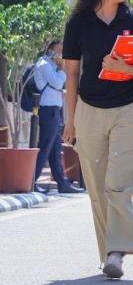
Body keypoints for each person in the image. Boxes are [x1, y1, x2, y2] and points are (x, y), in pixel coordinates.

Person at [62, 0, 133, 279]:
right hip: (89, 110)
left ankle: (118, 251)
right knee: (97, 187)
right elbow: (72, 75)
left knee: (119, 184)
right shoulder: (78, 23)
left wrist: (125, 68)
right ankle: (108, 253)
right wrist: (70, 120)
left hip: (128, 108)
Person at [33, 39, 84, 194]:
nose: (61, 54)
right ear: (50, 50)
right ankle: (31, 180)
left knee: (55, 149)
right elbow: (56, 82)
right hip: (48, 111)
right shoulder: (44, 64)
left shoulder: (50, 65)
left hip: (54, 110)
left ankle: (62, 184)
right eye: (58, 51)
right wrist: (62, 68)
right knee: (45, 147)